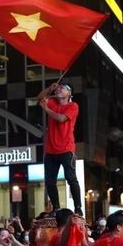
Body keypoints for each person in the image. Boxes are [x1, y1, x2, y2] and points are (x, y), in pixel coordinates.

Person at [37, 82, 83, 216]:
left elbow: (62, 119)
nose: (59, 89)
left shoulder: (73, 106)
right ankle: (56, 208)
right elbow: (39, 98)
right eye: (59, 87)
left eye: (63, 88)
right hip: (50, 150)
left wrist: (46, 109)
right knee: (49, 181)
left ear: (69, 93)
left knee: (71, 178)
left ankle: (78, 207)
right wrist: (49, 89)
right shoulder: (52, 102)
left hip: (66, 148)